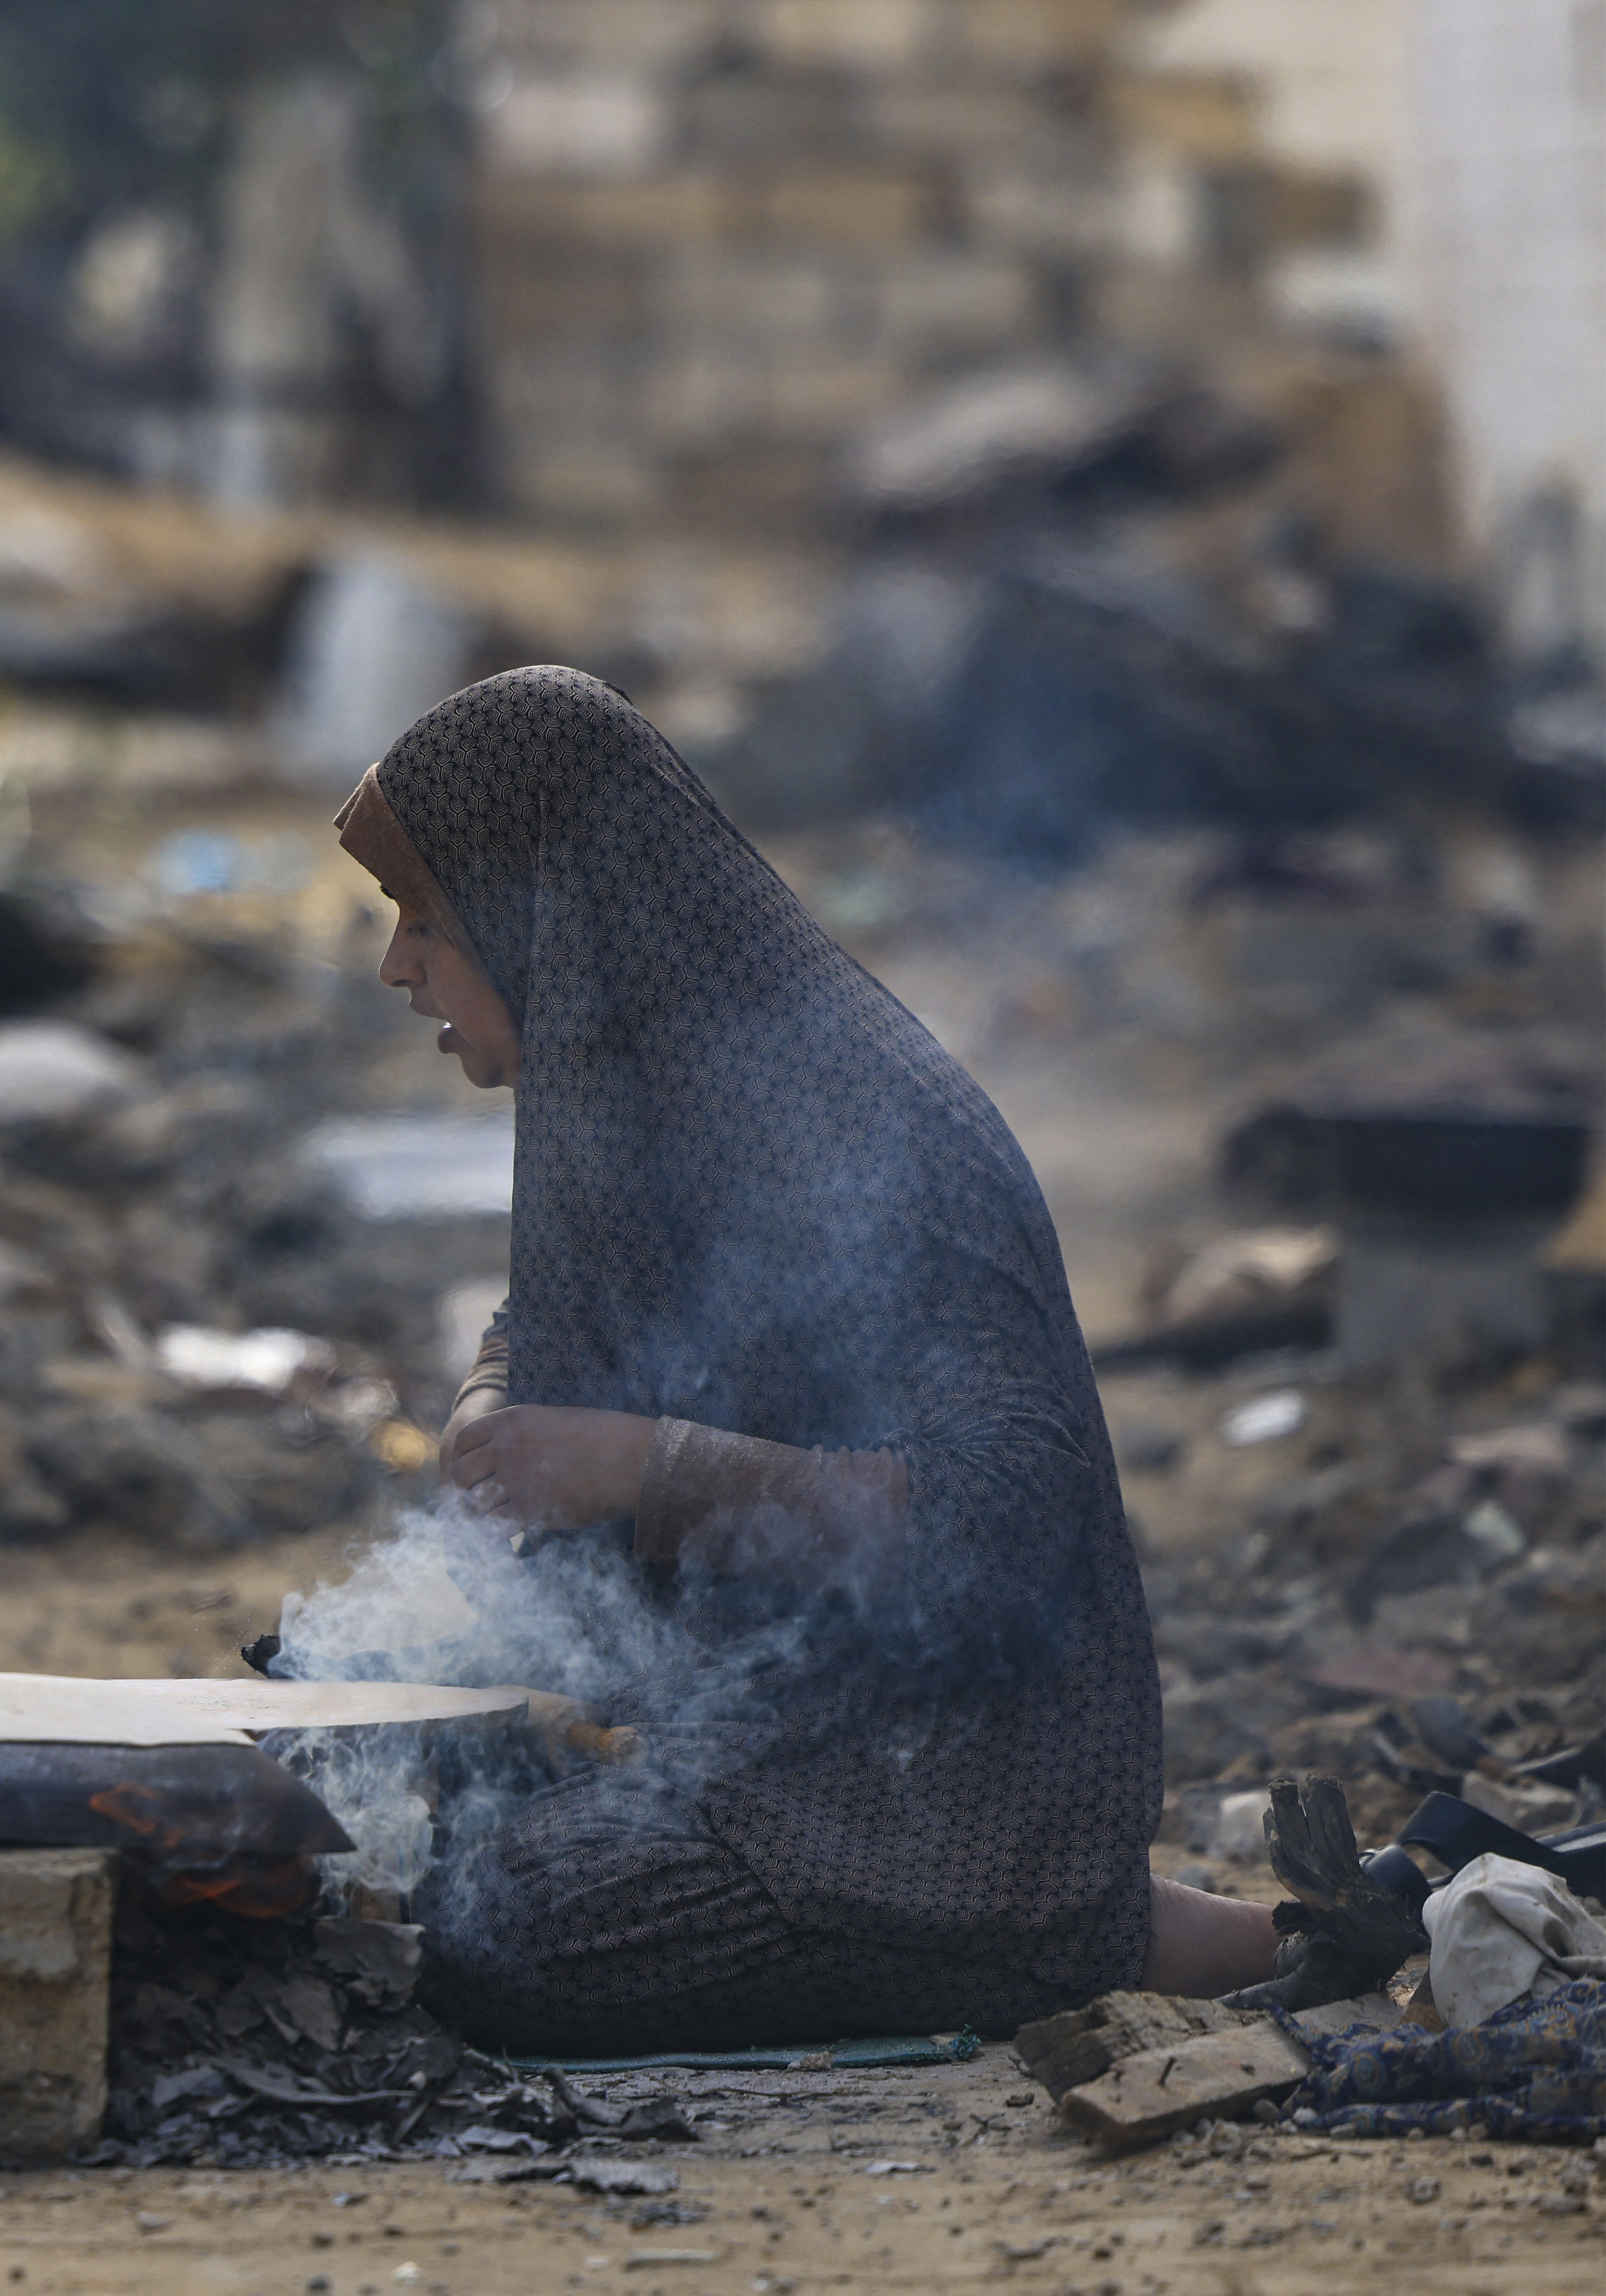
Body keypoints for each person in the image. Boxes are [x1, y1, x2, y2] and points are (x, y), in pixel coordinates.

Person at [325, 664, 1404, 2053]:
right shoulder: (637, 1085)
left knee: (494, 1929)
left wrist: (638, 1468)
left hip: (929, 1780)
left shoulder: (867, 1131)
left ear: (552, 910)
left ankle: (1054, 1922)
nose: (396, 963)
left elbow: (1001, 1524)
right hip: (778, 1741)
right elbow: (560, 1314)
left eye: (426, 915)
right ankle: (1140, 1923)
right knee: (398, 1822)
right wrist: (498, 1401)